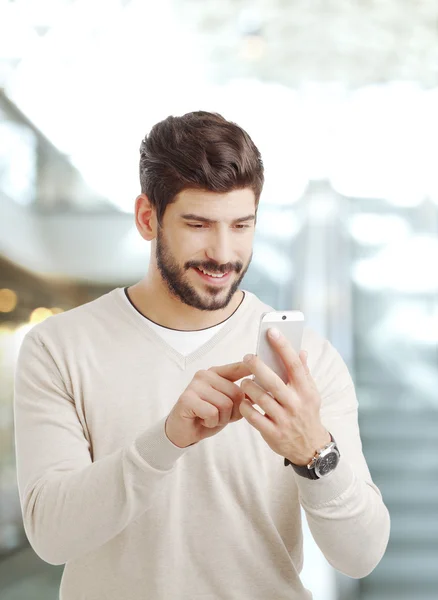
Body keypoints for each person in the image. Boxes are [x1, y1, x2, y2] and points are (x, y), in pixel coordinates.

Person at [14, 111, 390, 600]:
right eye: (198, 224)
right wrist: (164, 442)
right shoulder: (59, 347)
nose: (222, 252)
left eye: (241, 225)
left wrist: (314, 452)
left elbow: (360, 556)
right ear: (148, 218)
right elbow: (51, 536)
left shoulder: (307, 359)